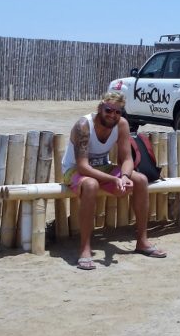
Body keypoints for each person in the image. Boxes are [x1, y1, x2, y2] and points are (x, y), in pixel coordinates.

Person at [61, 92, 167, 270]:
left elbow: (127, 160)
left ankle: (142, 241)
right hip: (74, 170)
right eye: (109, 110)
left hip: (103, 167)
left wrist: (124, 177)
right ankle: (85, 248)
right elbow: (83, 167)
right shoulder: (83, 125)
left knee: (140, 180)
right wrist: (113, 179)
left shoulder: (122, 124)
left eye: (118, 112)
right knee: (91, 184)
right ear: (100, 108)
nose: (113, 115)